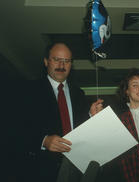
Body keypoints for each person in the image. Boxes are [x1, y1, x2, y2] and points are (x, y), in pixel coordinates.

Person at [19, 42, 103, 182]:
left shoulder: (79, 94)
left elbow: (80, 130)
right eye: (57, 59)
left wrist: (90, 116)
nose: (62, 65)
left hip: (77, 170)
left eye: (66, 61)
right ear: (46, 62)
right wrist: (43, 140)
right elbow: (15, 128)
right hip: (41, 170)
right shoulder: (27, 90)